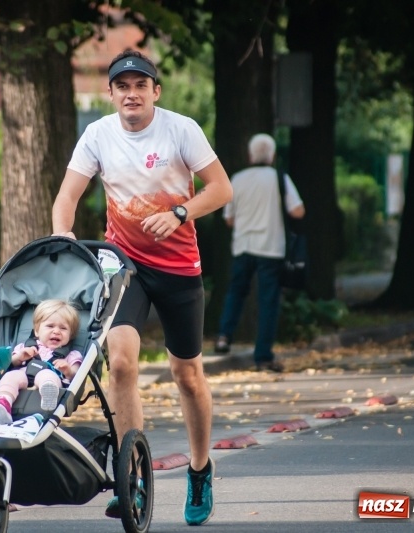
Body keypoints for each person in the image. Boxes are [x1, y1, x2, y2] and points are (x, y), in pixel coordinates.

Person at [52, 49, 232, 526]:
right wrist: (63, 235)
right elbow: (67, 195)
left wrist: (179, 213)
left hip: (178, 266)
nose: (131, 94)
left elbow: (220, 189)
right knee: (122, 363)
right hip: (124, 265)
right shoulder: (98, 134)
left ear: (155, 91)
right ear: (111, 94)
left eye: (140, 86)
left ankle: (199, 469)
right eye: (122, 86)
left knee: (187, 375)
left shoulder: (181, 129)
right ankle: (130, 475)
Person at [214, 134, 305, 372]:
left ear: (250, 155)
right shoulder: (279, 178)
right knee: (268, 302)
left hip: (243, 245)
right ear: (272, 156)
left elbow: (229, 220)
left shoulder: (237, 179)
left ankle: (224, 336)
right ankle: (263, 356)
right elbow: (298, 211)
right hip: (271, 248)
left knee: (235, 292)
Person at [0, 299, 83, 425]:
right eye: (50, 326)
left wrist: (68, 370)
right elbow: (11, 364)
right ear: (37, 331)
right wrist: (20, 357)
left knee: (46, 375)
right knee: (11, 376)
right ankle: (4, 403)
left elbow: (77, 375)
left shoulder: (72, 355)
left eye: (63, 328)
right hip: (23, 378)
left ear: (70, 335)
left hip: (50, 380)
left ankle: (48, 394)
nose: (56, 331)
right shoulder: (25, 347)